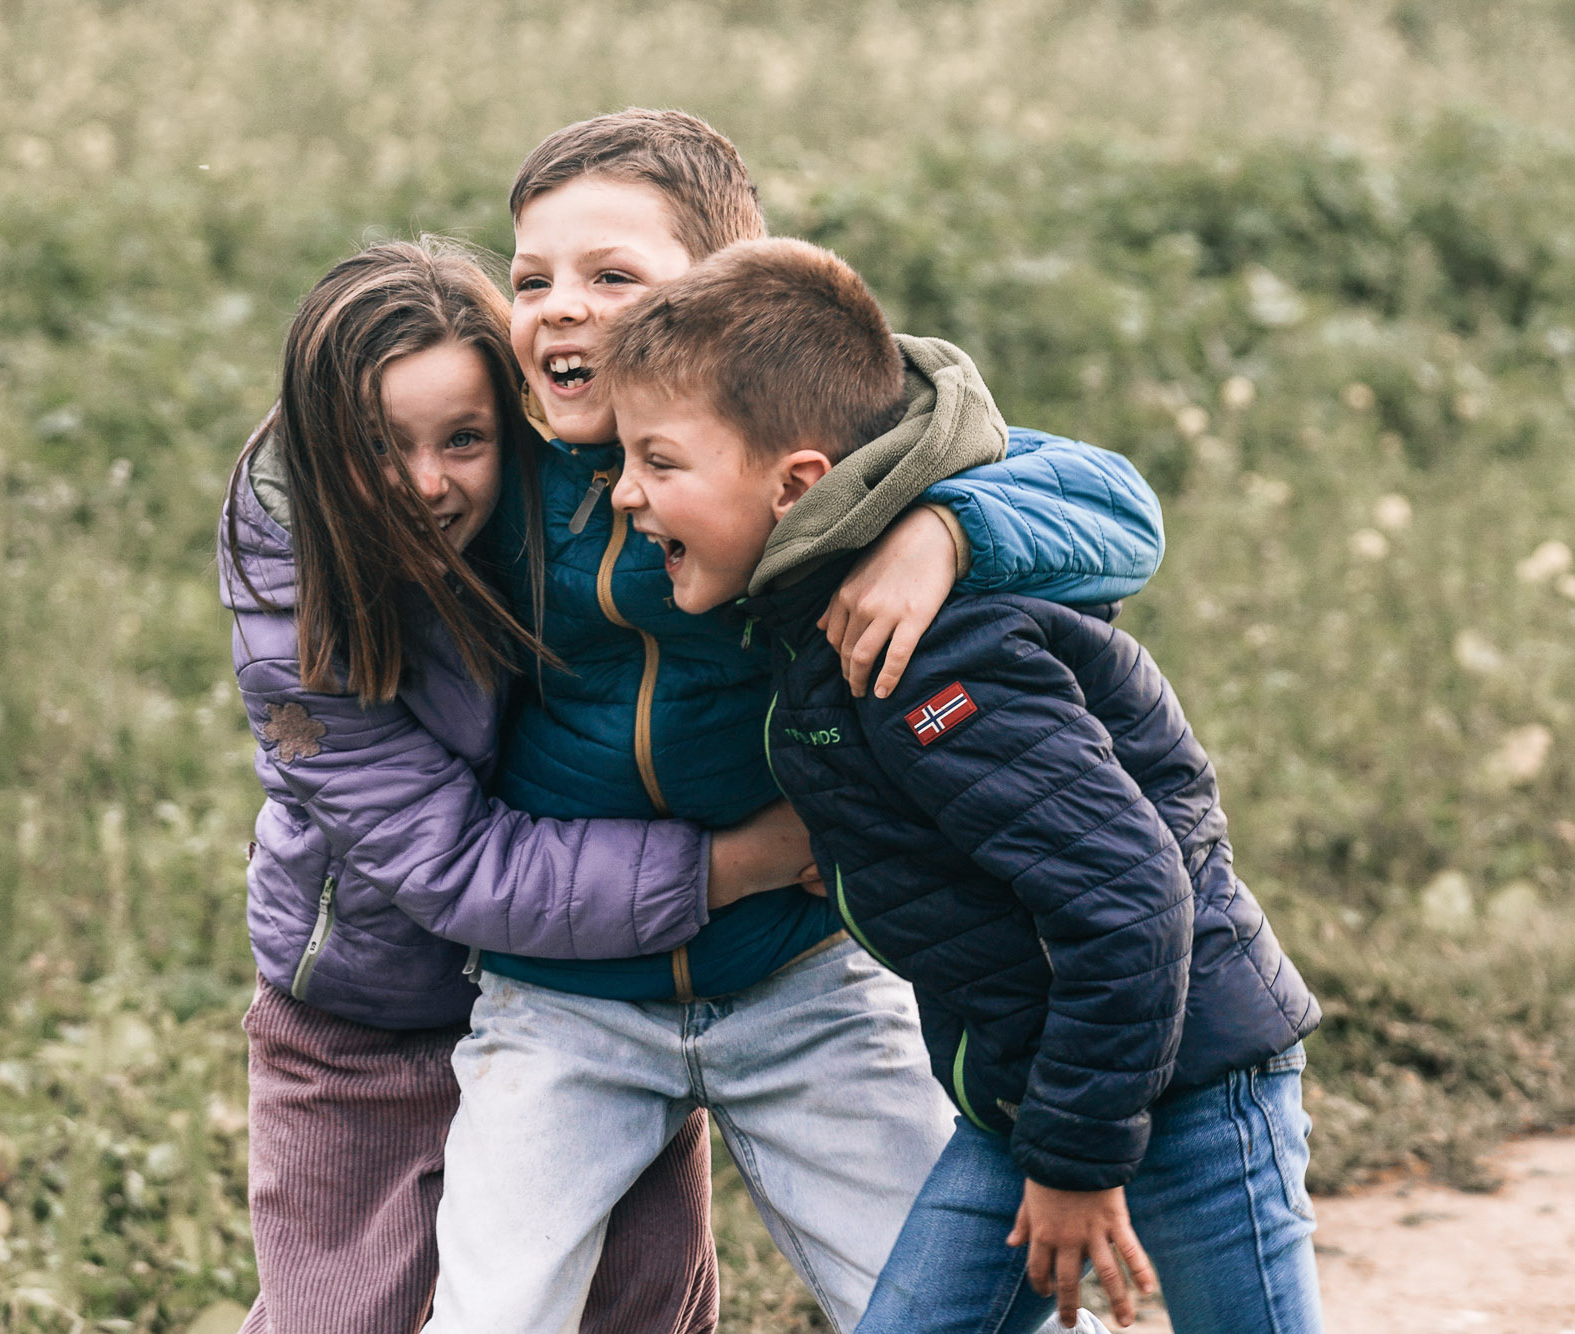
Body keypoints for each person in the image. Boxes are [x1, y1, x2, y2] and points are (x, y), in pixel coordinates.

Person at [420, 110, 1163, 1334]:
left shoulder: (798, 430)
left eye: (612, 276)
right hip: (563, 997)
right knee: (491, 1313)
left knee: (970, 1307)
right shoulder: (500, 454)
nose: (560, 306)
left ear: (717, 295)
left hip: (803, 966)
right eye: (532, 277)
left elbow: (1118, 507)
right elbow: (351, 476)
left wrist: (947, 529)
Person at [600, 236, 1326, 1334]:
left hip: (1190, 1076)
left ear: (797, 485)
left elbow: (1129, 897)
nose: (623, 494)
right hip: (1031, 1093)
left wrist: (1076, 1162)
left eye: (657, 463)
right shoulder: (820, 608)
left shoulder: (929, 652)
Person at [218, 236, 732, 1334]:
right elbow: (448, 862)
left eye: (465, 439)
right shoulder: (295, 612)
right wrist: (730, 866)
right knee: (345, 1315)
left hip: (590, 994)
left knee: (633, 1301)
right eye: (378, 445)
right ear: (317, 449)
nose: (423, 483)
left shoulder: (591, 504)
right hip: (366, 1023)